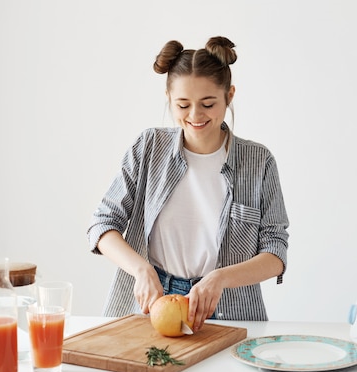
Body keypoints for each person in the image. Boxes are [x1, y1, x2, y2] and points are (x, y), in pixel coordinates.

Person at [88, 36, 289, 331]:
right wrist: (141, 269)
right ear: (169, 98)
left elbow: (275, 251)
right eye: (183, 105)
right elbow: (102, 225)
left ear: (229, 96)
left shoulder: (258, 161)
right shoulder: (148, 147)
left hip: (229, 310)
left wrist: (220, 278)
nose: (195, 116)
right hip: (150, 306)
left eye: (208, 104)